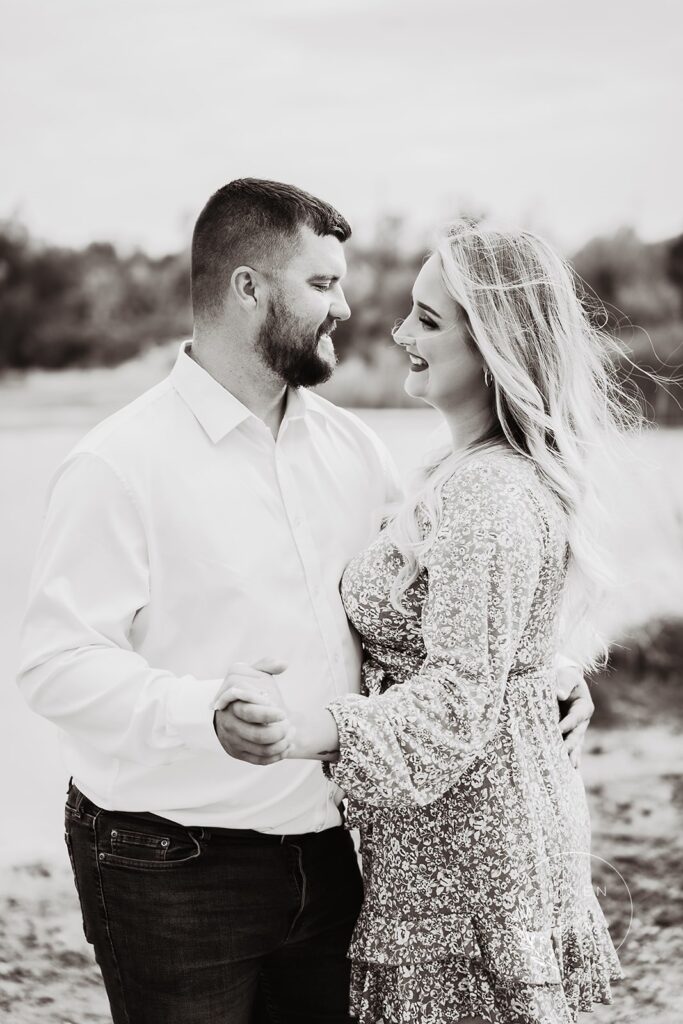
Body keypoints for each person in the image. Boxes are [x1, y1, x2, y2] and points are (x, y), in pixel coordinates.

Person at [17, 182, 593, 1024]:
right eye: (322, 285)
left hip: (331, 859)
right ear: (247, 288)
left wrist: (543, 676)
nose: (349, 309)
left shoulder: (356, 454)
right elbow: (54, 666)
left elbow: (437, 612)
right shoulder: (118, 464)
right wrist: (200, 712)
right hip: (169, 863)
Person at [221, 221, 625, 1024]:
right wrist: (548, 669)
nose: (400, 333)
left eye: (429, 321)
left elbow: (454, 700)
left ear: (496, 349)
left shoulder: (487, 492)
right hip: (468, 836)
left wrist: (304, 730)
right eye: (411, 311)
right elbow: (493, 646)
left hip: (472, 857)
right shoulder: (467, 473)